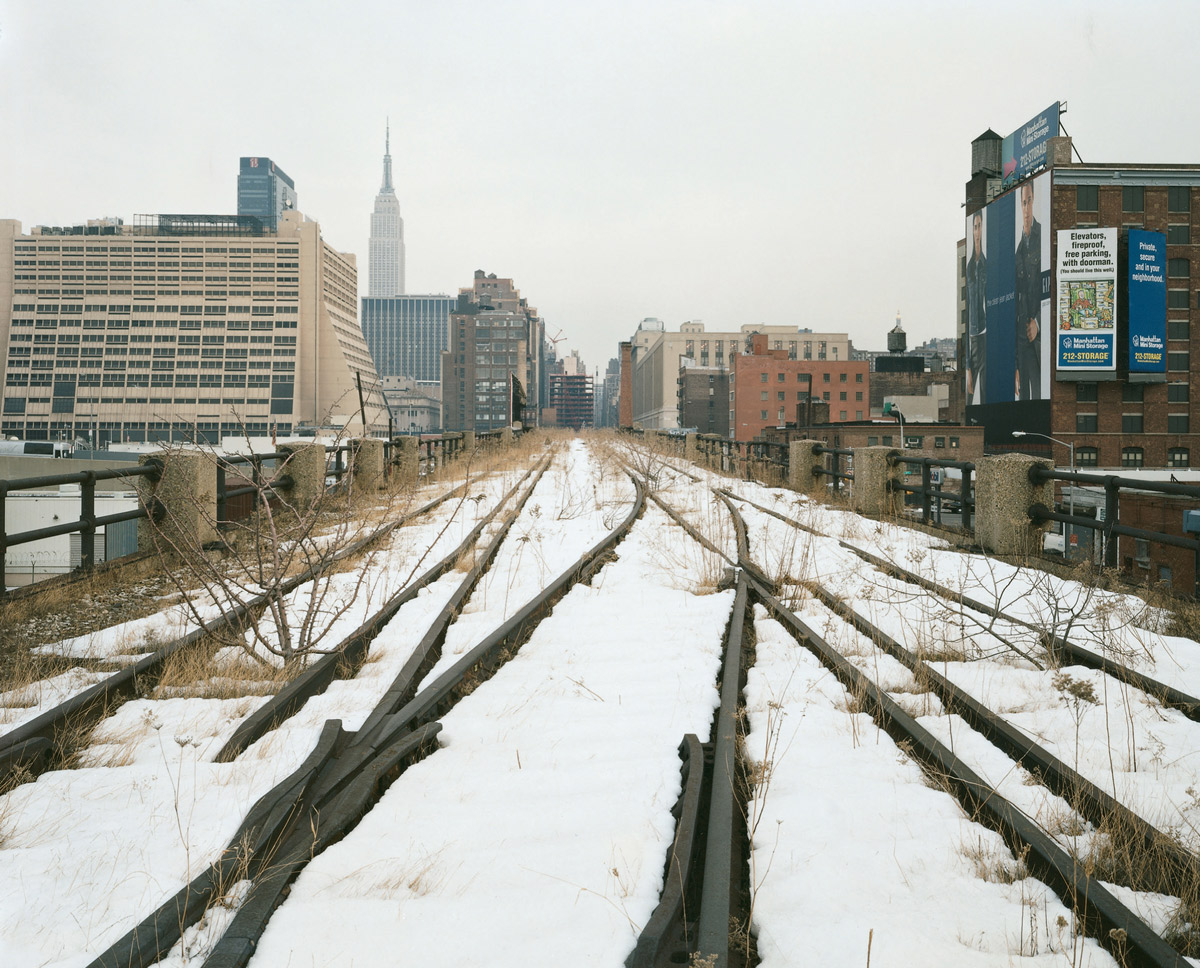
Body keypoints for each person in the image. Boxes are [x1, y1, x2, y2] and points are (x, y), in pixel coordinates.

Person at [1014, 180, 1042, 400]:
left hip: (1040, 340)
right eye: (1023, 203)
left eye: (1029, 201)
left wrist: (1038, 322)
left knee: (1040, 396)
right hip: (1020, 338)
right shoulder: (1018, 251)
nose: (1026, 208)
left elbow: (1052, 286)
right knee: (1023, 401)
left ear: (1034, 202)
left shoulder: (1044, 237)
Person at [965, 211, 987, 403]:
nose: (977, 231)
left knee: (986, 397)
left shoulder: (988, 264)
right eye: (975, 226)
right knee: (969, 398)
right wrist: (967, 368)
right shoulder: (969, 267)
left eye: (980, 226)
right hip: (973, 339)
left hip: (987, 337)